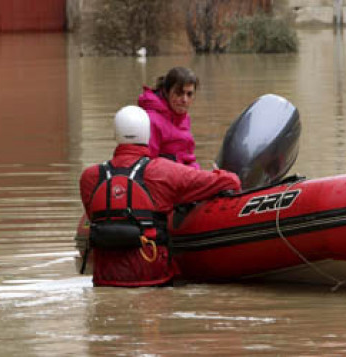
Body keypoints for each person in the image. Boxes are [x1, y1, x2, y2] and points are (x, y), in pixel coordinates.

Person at [79, 106, 241, 287]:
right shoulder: (163, 171)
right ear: (147, 134)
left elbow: (97, 218)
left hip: (105, 280)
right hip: (153, 278)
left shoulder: (89, 178)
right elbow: (230, 182)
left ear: (115, 134)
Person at [137, 66, 201, 169]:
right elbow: (147, 166)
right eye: (179, 93)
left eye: (189, 94)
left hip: (188, 174)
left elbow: (187, 158)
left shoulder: (184, 118)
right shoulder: (151, 121)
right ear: (166, 92)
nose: (184, 99)